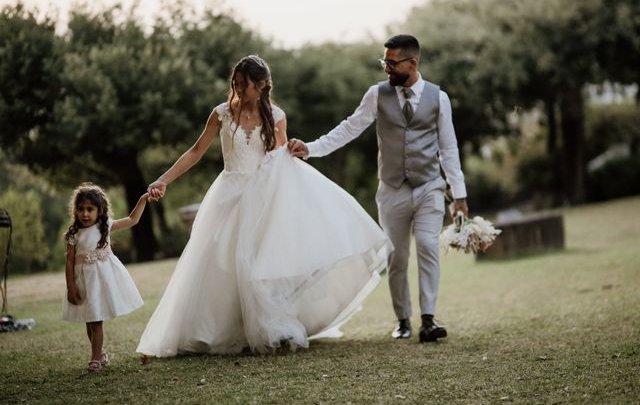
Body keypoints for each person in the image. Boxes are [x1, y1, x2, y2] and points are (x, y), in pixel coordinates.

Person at [137, 55, 392, 357]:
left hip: (262, 197)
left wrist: (297, 152)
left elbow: (279, 160)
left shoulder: (276, 116)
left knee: (258, 263)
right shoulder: (220, 114)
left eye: (245, 86)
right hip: (228, 194)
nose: (239, 91)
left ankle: (265, 327)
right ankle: (217, 329)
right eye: (235, 84)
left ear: (262, 86)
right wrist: (164, 180)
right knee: (220, 261)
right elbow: (195, 151)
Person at [289, 35, 468, 343]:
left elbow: (448, 149)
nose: (386, 68)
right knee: (396, 257)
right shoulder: (376, 95)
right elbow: (349, 127)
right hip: (392, 190)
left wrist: (460, 195)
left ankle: (428, 319)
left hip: (429, 187)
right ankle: (403, 319)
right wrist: (311, 148)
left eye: (392, 63)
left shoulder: (439, 98)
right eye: (384, 62)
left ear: (412, 63)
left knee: (426, 245)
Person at [63, 183, 148, 371]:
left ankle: (95, 358)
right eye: (81, 209)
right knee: (89, 319)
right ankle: (100, 354)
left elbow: (132, 220)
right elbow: (69, 262)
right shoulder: (73, 233)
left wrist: (142, 200)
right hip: (83, 281)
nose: (85, 214)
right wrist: (71, 287)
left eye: (90, 209)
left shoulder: (105, 226)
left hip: (101, 280)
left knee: (96, 319)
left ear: (100, 210)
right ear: (75, 211)